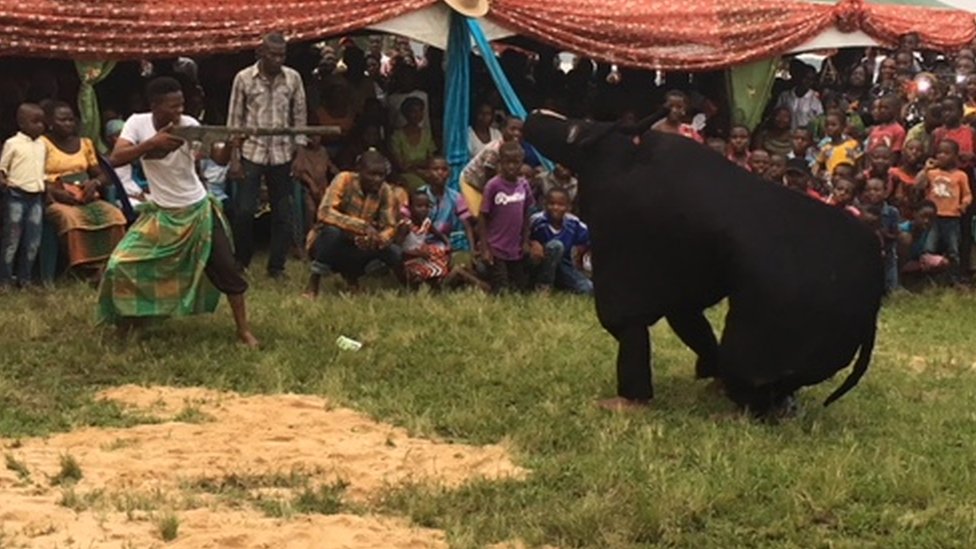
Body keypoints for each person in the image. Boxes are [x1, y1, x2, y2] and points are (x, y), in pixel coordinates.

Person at [98, 77, 257, 347]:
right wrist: (152, 143)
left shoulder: (191, 125)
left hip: (199, 209)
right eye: (173, 106)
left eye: (181, 104)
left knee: (228, 270)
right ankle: (129, 324)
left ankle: (243, 331)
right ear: (155, 106)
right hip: (161, 213)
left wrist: (231, 145)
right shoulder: (137, 123)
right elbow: (115, 159)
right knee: (119, 266)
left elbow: (216, 157)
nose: (179, 110)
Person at [227, 32, 307, 280]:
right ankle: (242, 261)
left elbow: (300, 117)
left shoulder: (293, 78)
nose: (277, 59)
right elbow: (235, 120)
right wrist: (234, 157)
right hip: (253, 151)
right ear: (261, 53)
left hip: (283, 153)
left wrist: (300, 153)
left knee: (283, 212)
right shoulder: (243, 78)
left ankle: (277, 267)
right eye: (272, 54)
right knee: (244, 211)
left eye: (281, 55)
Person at [41, 101, 127, 281]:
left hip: (85, 196)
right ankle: (84, 269)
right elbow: (32, 177)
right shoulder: (42, 144)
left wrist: (94, 183)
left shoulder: (85, 143)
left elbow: (102, 174)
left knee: (115, 216)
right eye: (62, 120)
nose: (68, 124)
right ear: (49, 121)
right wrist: (58, 193)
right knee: (71, 220)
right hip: (56, 198)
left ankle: (110, 265)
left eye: (71, 120)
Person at [303, 149, 403, 297]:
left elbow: (389, 226)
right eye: (372, 174)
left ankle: (352, 276)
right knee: (332, 232)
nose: (377, 179)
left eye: (381, 175)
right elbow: (324, 212)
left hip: (359, 244)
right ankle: (314, 282)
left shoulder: (385, 190)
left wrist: (377, 239)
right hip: (328, 242)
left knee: (394, 252)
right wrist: (361, 226)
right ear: (359, 170)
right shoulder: (344, 179)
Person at [478, 141, 534, 293]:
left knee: (520, 289)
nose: (511, 167)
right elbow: (482, 216)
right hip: (496, 247)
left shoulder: (523, 185)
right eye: (507, 162)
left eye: (515, 163)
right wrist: (485, 248)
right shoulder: (493, 186)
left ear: (521, 163)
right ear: (500, 162)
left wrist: (525, 241)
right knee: (502, 289)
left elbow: (526, 214)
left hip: (515, 248)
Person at [0, 103, 46, 288]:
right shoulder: (12, 144)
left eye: (42, 122)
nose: (40, 126)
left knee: (33, 241)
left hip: (36, 198)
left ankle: (25, 279)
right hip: (16, 196)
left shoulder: (42, 145)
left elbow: (43, 171)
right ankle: (4, 280)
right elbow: (2, 167)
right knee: (12, 240)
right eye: (35, 122)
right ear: (22, 123)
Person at [915, 140, 972, 282]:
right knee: (929, 247)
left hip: (952, 217)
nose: (942, 156)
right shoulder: (932, 173)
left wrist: (964, 204)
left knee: (953, 248)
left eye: (946, 153)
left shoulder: (961, 175)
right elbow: (919, 185)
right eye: (939, 153)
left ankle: (953, 277)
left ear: (955, 156)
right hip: (933, 218)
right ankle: (928, 277)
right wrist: (926, 169)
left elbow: (967, 194)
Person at [528, 188, 592, 294]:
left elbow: (589, 239)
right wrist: (532, 242)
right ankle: (543, 286)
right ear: (545, 205)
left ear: (568, 207)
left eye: (561, 205)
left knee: (587, 289)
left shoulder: (574, 223)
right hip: (541, 263)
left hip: (563, 265)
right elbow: (523, 235)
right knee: (556, 246)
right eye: (551, 204)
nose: (555, 208)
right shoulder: (537, 221)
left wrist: (581, 257)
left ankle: (561, 283)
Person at [459, 115, 523, 218]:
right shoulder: (494, 149)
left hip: (491, 181)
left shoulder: (517, 149)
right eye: (513, 129)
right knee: (478, 215)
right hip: (471, 181)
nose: (517, 133)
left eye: (520, 130)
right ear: (502, 130)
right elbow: (489, 172)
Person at [419, 155, 475, 253]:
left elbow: (467, 225)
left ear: (449, 173)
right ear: (428, 173)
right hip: (425, 244)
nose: (440, 173)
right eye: (435, 169)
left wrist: (472, 251)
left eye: (444, 169)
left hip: (452, 243)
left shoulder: (456, 197)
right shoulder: (420, 195)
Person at [858, 177, 902, 292]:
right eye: (868, 190)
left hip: (886, 249)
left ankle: (891, 286)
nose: (872, 193)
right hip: (865, 248)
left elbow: (896, 235)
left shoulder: (892, 212)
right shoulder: (860, 210)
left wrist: (885, 234)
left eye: (877, 190)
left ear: (885, 192)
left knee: (890, 259)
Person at [388, 97, 436, 192]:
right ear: (405, 114)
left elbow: (431, 160)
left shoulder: (426, 134)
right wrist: (419, 169)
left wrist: (415, 165)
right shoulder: (397, 136)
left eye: (420, 111)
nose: (417, 115)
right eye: (413, 111)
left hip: (425, 172)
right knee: (422, 187)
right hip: (406, 175)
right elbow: (401, 166)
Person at [814, 110, 861, 183]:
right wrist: (815, 176)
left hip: (848, 181)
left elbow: (859, 163)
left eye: (833, 125)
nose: (829, 128)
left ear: (843, 127)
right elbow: (817, 165)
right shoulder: (826, 148)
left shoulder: (852, 144)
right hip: (831, 181)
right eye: (827, 125)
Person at [775, 64, 823, 131]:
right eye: (806, 78)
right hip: (786, 135)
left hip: (804, 137)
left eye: (811, 79)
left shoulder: (815, 99)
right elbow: (777, 115)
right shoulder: (785, 96)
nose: (808, 82)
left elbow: (820, 119)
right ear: (800, 77)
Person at [932, 96, 975, 170]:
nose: (946, 114)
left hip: (966, 172)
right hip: (943, 173)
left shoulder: (970, 132)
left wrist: (971, 157)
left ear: (961, 112)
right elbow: (932, 155)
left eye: (950, 110)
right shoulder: (937, 133)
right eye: (944, 110)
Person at [889, 138, 926, 217]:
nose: (914, 152)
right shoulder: (893, 172)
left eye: (918, 150)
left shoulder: (924, 175)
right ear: (903, 151)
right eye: (910, 149)